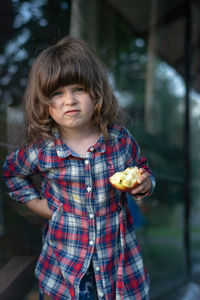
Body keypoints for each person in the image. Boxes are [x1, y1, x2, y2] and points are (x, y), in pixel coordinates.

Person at [2, 36, 155, 300]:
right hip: (65, 270)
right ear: (44, 103)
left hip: (117, 267)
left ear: (96, 93)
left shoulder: (119, 141)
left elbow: (141, 170)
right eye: (57, 93)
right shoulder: (43, 150)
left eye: (78, 89)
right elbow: (11, 172)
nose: (69, 100)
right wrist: (37, 205)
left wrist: (144, 184)